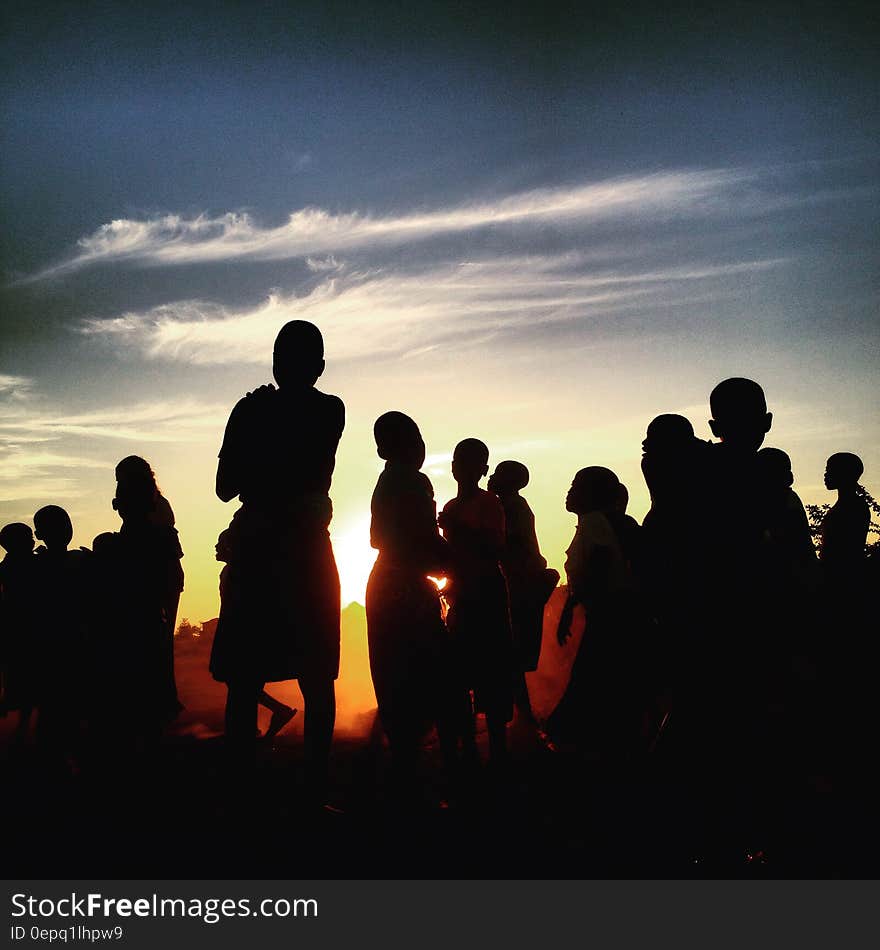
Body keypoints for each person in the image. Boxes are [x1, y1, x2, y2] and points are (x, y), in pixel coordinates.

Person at [210, 320, 343, 805]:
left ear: (274, 362)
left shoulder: (251, 409)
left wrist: (254, 420)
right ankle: (312, 790)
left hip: (262, 547)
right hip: (305, 547)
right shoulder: (330, 409)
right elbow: (307, 475)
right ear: (321, 367)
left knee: (246, 679)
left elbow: (226, 487)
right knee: (316, 675)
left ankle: (241, 790)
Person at [366, 411, 455, 799]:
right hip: (405, 587)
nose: (422, 447)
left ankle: (402, 782)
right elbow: (424, 539)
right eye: (417, 439)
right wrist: (463, 563)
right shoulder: (415, 482)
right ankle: (416, 787)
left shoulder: (385, 482)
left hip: (384, 582)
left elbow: (376, 538)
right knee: (426, 678)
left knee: (394, 678)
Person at [547, 467, 641, 761]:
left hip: (609, 617)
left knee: (595, 686)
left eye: (576, 485)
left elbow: (598, 563)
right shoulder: (591, 523)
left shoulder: (593, 523)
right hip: (608, 614)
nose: (569, 491)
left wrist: (585, 602)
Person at [439, 439, 513, 765]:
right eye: (459, 462)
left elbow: (494, 547)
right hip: (461, 594)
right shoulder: (451, 508)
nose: (463, 469)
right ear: (452, 466)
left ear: (482, 470)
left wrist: (455, 530)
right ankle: (468, 747)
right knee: (457, 676)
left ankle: (498, 751)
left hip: (487, 594)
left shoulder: (489, 504)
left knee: (492, 672)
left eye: (471, 464)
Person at [487, 460, 558, 723]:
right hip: (519, 584)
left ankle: (522, 717)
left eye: (497, 474)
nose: (491, 477)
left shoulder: (512, 507)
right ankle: (522, 715)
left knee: (511, 653)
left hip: (519, 586)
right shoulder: (510, 505)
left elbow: (505, 543)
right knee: (513, 655)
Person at [115, 456, 184, 716]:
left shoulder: (152, 507)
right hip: (162, 574)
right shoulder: (156, 502)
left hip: (156, 575)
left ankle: (159, 703)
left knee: (156, 641)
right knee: (156, 642)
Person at [215, 529, 297, 740]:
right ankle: (272, 715)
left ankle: (247, 731)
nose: (216, 548)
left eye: (220, 543)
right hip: (241, 632)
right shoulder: (233, 573)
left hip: (243, 634)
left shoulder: (238, 574)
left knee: (241, 683)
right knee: (241, 684)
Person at [31, 505, 91, 760]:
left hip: (67, 645)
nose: (64, 530)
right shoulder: (79, 563)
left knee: (60, 708)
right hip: (58, 646)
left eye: (65, 524)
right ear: (40, 533)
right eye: (58, 525)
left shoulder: (37, 566)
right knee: (58, 707)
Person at [0, 523, 37, 742]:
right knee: (23, 676)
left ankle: (19, 715)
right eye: (28, 537)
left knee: (17, 676)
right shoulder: (34, 565)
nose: (33, 541)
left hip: (15, 629)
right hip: (24, 629)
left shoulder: (6, 568)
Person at [819, 452, 869, 581]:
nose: (825, 474)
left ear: (843, 473)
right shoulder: (852, 504)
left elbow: (846, 549)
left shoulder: (854, 506)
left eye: (829, 470)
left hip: (842, 577)